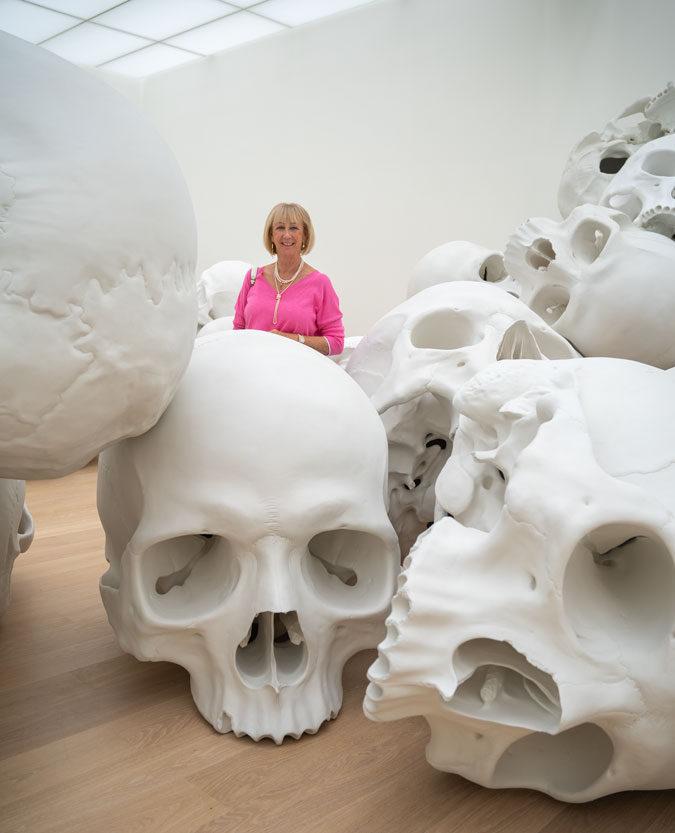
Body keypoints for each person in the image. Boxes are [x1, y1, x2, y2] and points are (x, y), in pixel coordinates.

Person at [233, 203, 344, 356]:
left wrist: (292, 339)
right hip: (254, 371)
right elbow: (237, 333)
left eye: (293, 228)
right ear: (271, 235)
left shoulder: (320, 283)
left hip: (297, 374)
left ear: (305, 234)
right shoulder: (252, 278)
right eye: (280, 228)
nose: (286, 235)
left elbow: (336, 343)